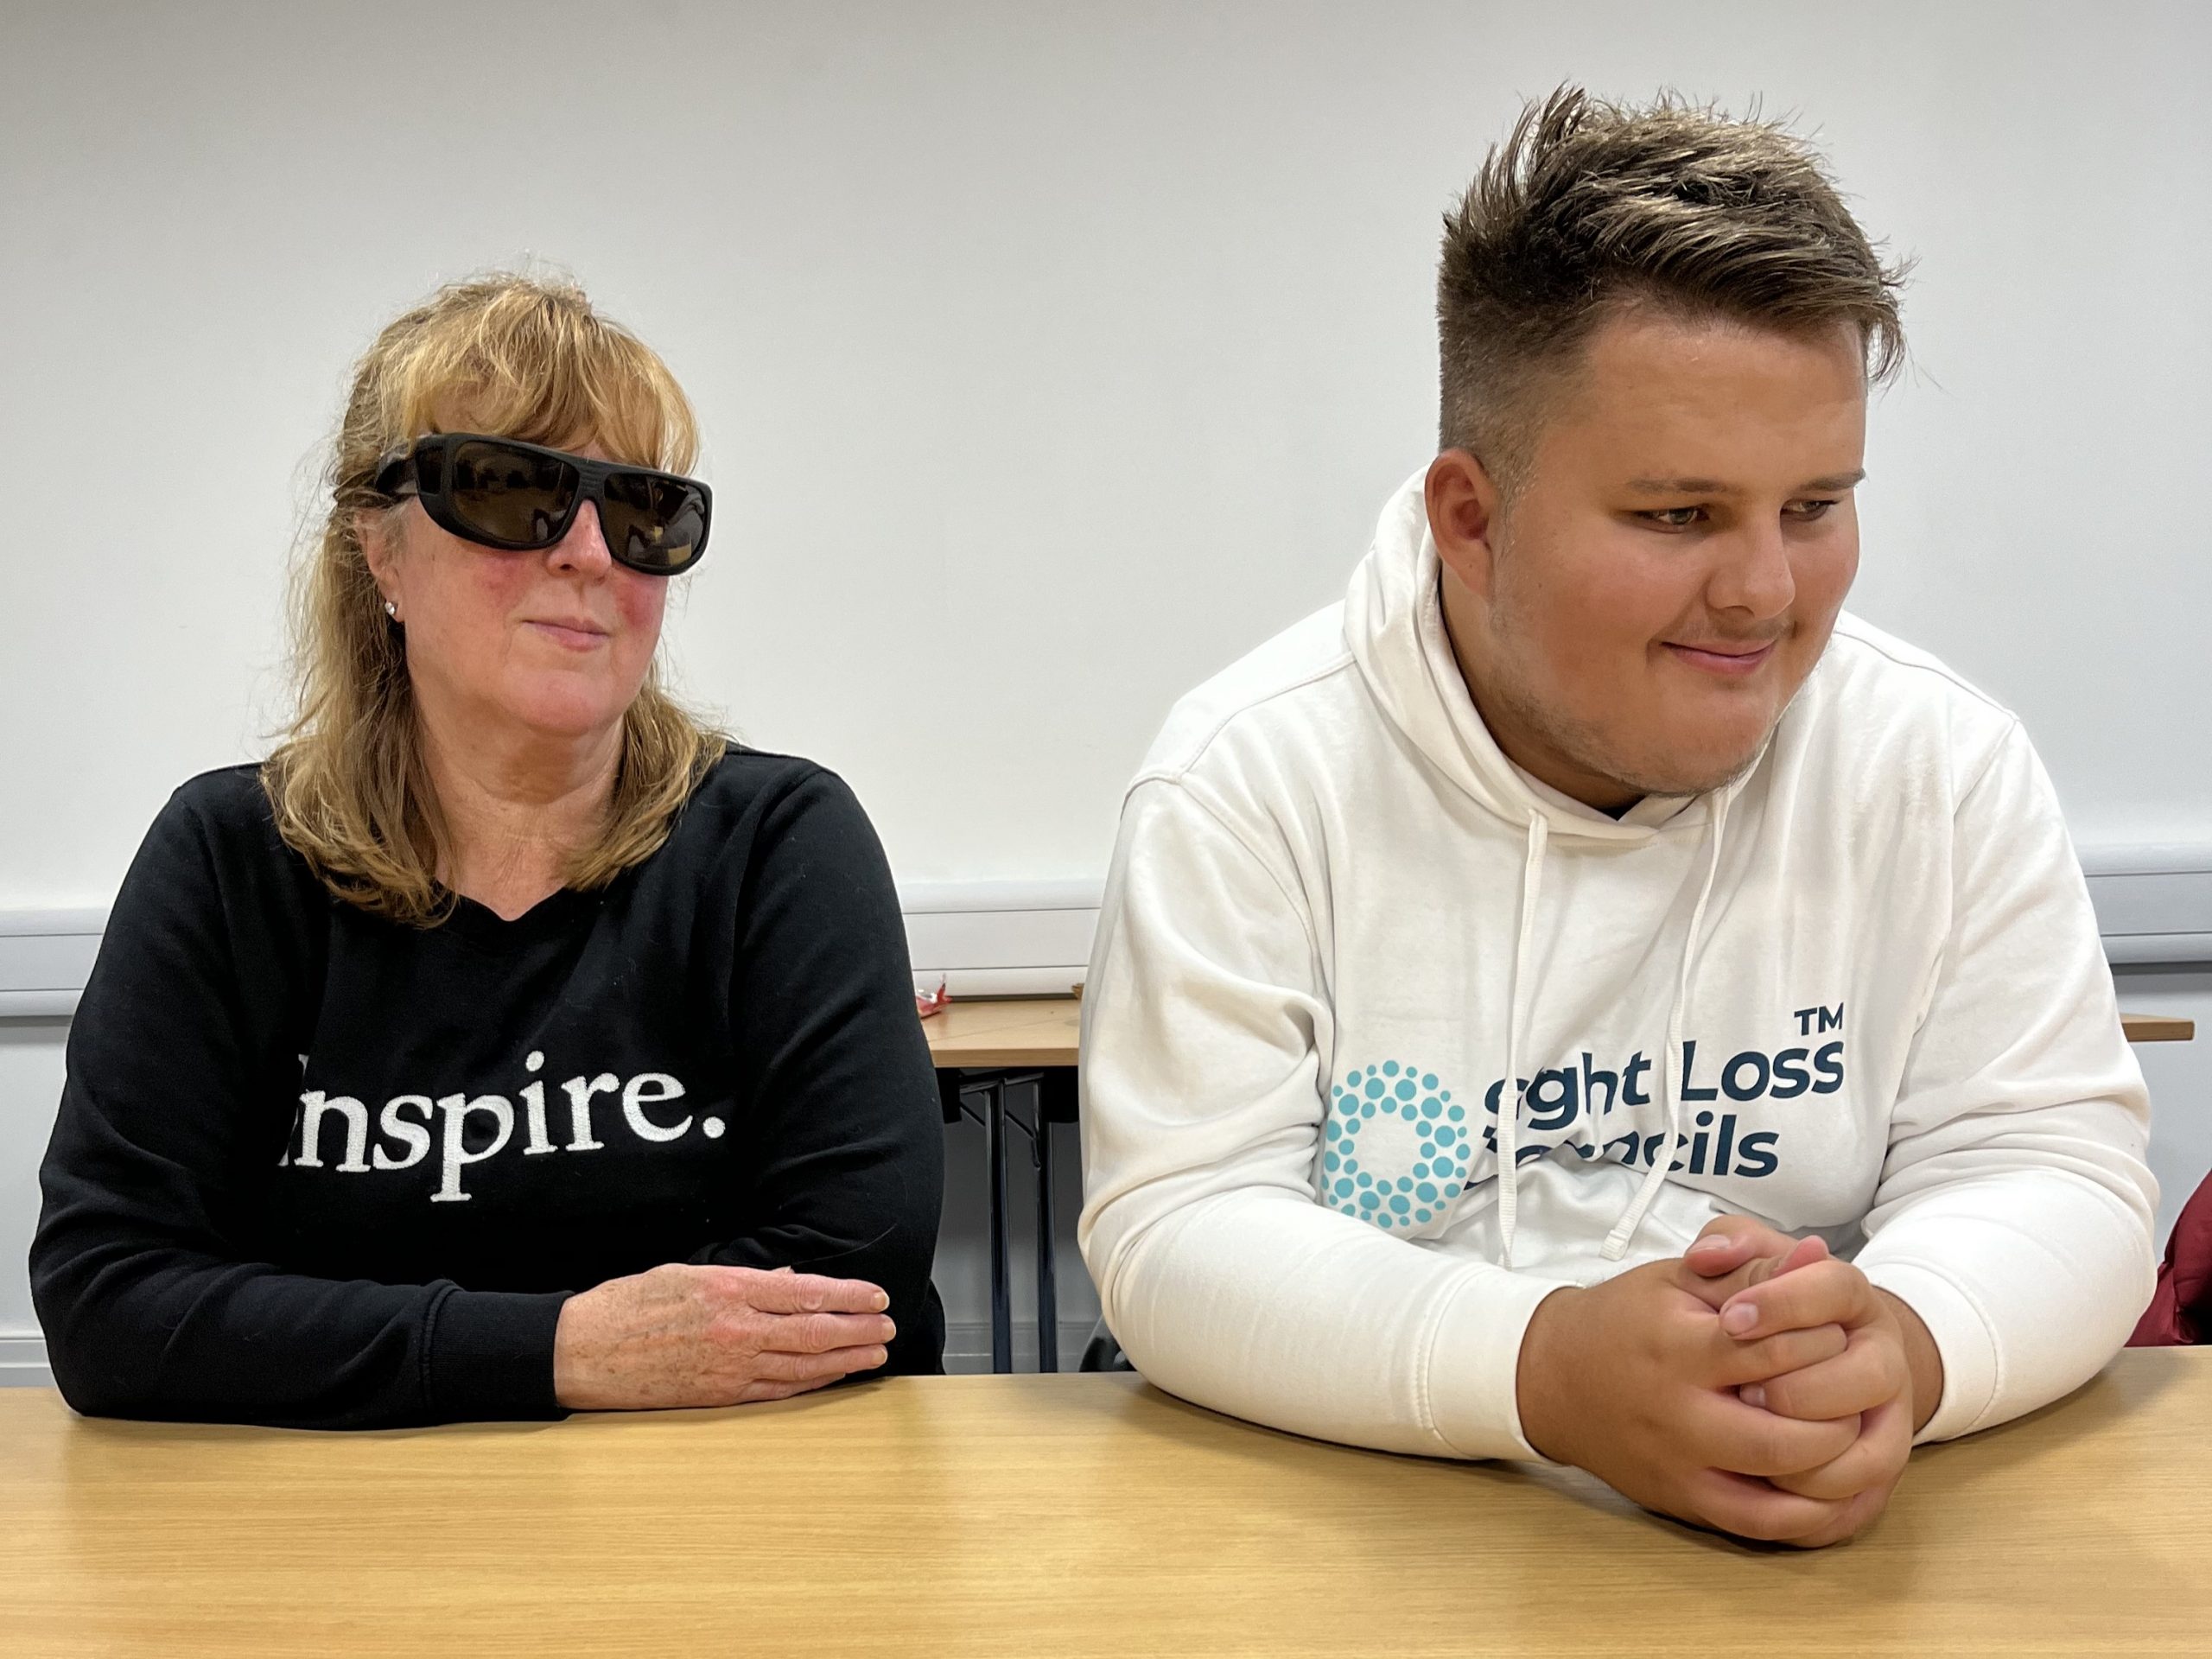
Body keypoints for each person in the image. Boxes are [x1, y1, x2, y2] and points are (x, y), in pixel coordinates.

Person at [1077, 88, 2156, 1548]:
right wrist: (1543, 1372)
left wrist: (1898, 1346)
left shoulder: (1936, 762)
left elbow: (2055, 1168)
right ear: (1470, 518)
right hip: (1365, 1535)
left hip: (1806, 1536)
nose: (1767, 595)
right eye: (1677, 516)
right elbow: (1182, 1230)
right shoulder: (1248, 778)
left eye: (1816, 505)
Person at [32, 274, 945, 1427]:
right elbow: (112, 1302)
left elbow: (854, 1281)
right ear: (379, 551)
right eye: (514, 491)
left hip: (729, 1518)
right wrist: (559, 1350)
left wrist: (338, 1339)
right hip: (342, 1533)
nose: (590, 554)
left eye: (643, 510)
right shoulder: (229, 863)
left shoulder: (779, 844)